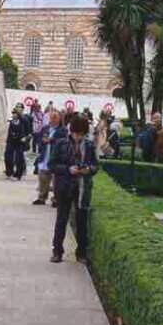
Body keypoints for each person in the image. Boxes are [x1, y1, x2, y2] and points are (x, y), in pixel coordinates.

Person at [47, 112, 97, 263]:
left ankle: (81, 253)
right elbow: (52, 165)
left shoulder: (88, 145)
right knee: (61, 219)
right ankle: (57, 252)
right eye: (77, 134)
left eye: (82, 134)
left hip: (82, 188)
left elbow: (96, 165)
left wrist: (89, 170)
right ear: (72, 131)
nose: (79, 137)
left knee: (82, 221)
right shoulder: (61, 143)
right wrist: (68, 170)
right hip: (64, 187)